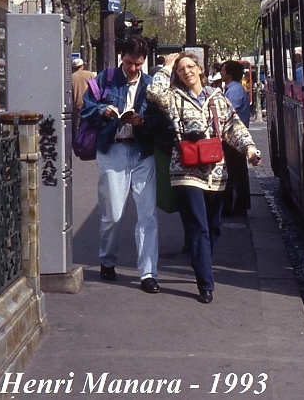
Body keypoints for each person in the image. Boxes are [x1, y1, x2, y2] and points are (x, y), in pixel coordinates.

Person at [147, 51, 261, 304]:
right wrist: (166, 68)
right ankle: (205, 283)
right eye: (180, 69)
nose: (186, 71)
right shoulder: (173, 97)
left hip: (216, 172)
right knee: (198, 226)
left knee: (213, 227)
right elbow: (154, 93)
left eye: (189, 66)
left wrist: (250, 149)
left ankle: (202, 262)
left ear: (199, 69)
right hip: (185, 171)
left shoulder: (216, 97)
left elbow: (233, 127)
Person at [78, 36, 160, 294]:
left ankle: (148, 272)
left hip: (141, 151)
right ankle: (107, 259)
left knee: (147, 214)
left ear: (144, 61)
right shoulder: (105, 78)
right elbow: (85, 108)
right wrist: (103, 111)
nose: (133, 68)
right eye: (128, 63)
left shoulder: (152, 85)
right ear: (121, 57)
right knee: (113, 212)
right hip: (112, 149)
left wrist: (144, 121)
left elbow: (161, 118)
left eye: (137, 64)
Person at [221, 60, 251, 217]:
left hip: (234, 137)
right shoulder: (234, 89)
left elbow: (226, 113)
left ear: (229, 73)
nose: (221, 72)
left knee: (234, 172)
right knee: (237, 171)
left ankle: (236, 205)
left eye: (223, 70)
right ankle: (239, 203)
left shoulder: (234, 91)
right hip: (235, 137)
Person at [70, 58, 94, 137]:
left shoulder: (71, 77)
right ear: (82, 66)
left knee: (78, 128)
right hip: (91, 105)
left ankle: (80, 144)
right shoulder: (89, 75)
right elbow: (96, 89)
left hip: (77, 106)